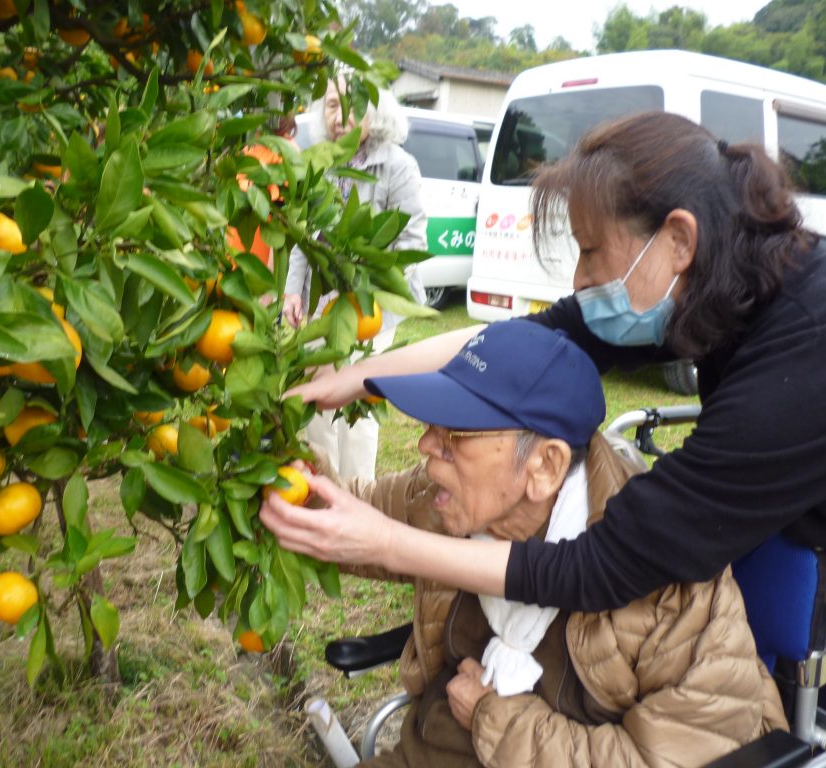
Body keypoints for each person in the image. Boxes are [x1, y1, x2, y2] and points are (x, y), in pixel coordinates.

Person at [268, 110, 826, 616]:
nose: (579, 280)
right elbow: (512, 341)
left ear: (678, 239)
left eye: (590, 250)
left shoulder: (802, 355)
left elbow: (606, 563)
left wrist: (387, 543)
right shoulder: (716, 285)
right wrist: (354, 379)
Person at [268, 321, 785, 767]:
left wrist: (498, 718)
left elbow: (683, 757)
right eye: (432, 424)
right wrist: (305, 489)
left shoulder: (670, 577)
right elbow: (362, 520)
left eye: (457, 434)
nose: (427, 444)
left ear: (545, 467)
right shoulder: (452, 498)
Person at [283, 78, 427, 483]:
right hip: (322, 303)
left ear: (373, 111)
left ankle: (357, 494)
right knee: (318, 402)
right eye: (330, 105)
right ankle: (322, 489)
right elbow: (303, 240)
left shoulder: (398, 166)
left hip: (371, 307)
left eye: (351, 105)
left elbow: (410, 245)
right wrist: (293, 291)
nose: (339, 115)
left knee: (357, 409)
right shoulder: (319, 162)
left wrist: (363, 283)